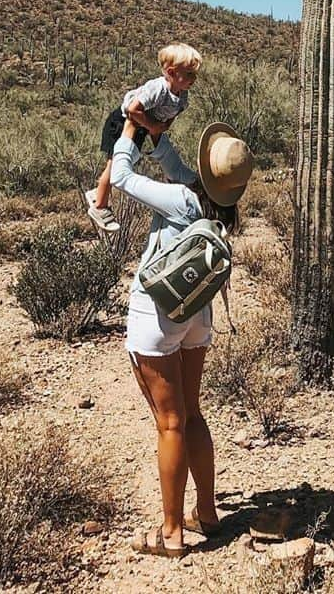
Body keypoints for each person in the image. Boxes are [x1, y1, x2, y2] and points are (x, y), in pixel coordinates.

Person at [110, 116, 255, 558]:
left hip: (158, 312)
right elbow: (174, 165)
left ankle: (170, 531)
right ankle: (206, 513)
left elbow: (120, 177)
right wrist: (157, 136)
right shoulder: (222, 208)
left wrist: (128, 134)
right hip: (197, 313)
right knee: (191, 413)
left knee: (168, 422)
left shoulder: (179, 200)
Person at [86, 42, 202, 234]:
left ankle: (98, 192)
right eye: (189, 73)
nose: (193, 78)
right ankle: (99, 206)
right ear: (172, 73)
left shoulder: (182, 96)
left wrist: (158, 130)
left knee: (125, 162)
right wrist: (153, 126)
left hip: (142, 128)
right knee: (114, 164)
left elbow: (171, 115)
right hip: (122, 123)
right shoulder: (157, 89)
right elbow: (133, 109)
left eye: (195, 74)